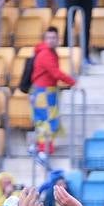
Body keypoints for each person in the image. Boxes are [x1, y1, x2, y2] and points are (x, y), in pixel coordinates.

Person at [29, 27, 75, 156]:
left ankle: (42, 147)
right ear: (44, 39)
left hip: (47, 91)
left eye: (53, 38)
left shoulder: (50, 52)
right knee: (46, 121)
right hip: (43, 92)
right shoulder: (45, 54)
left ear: (58, 39)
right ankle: (43, 149)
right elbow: (55, 73)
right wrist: (72, 82)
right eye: (48, 38)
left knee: (47, 119)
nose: (51, 40)